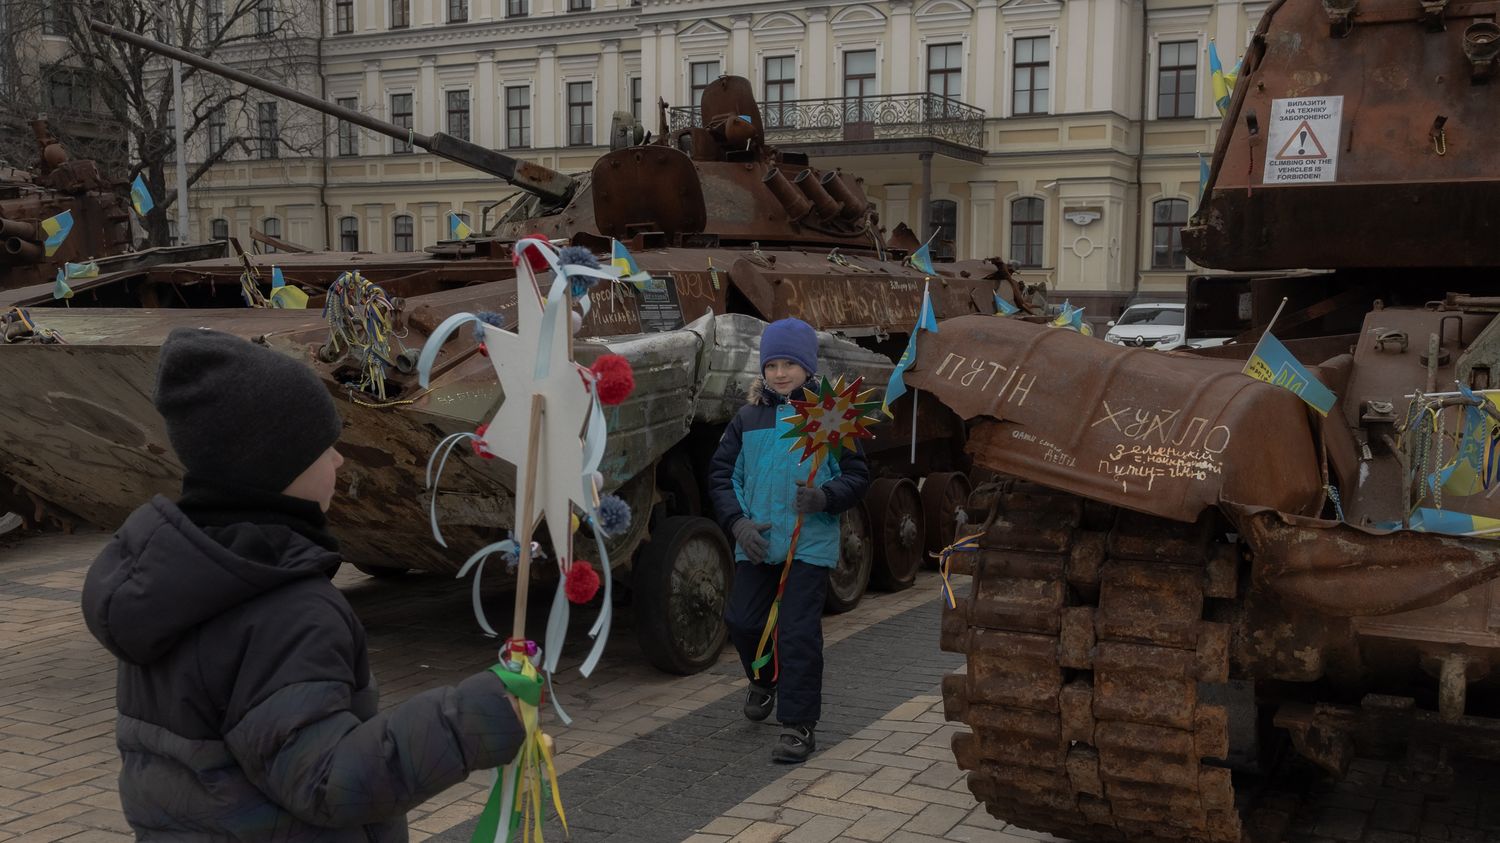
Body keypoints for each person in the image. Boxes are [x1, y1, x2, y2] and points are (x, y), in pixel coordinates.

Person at [81, 328, 524, 840]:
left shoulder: (170, 579)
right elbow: (327, 780)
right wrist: (478, 716)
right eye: (326, 446)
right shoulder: (288, 611)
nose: (338, 460)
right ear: (277, 465)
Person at [708, 317, 870, 763]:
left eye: (790, 364)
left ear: (808, 367)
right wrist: (738, 523)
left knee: (797, 634)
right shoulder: (747, 418)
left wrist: (826, 497)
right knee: (742, 620)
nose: (780, 373)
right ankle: (763, 679)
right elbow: (724, 476)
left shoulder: (829, 416)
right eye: (772, 364)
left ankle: (798, 725)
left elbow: (858, 475)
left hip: (808, 546)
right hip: (756, 544)